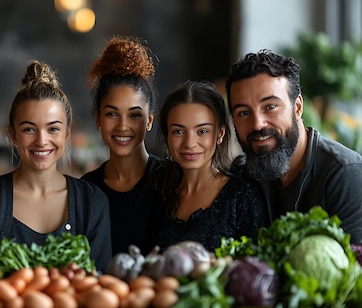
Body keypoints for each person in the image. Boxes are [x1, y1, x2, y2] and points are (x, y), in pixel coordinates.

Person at [0, 60, 112, 272]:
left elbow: (98, 287)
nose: (42, 141)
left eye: (53, 129)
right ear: (13, 134)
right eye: (29, 129)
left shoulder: (92, 202)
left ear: (67, 133)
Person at [225, 49, 362, 244]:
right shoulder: (243, 174)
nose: (257, 124)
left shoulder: (345, 174)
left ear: (297, 107)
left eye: (270, 107)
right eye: (244, 113)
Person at [152, 80, 267, 252]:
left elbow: (257, 269)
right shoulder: (158, 190)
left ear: (220, 133)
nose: (189, 143)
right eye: (178, 131)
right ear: (167, 135)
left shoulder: (242, 197)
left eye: (202, 131)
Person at [81, 35, 167, 256]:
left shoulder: (171, 181)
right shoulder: (85, 190)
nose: (122, 126)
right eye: (111, 114)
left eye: (134, 115)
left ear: (150, 120)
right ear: (98, 118)